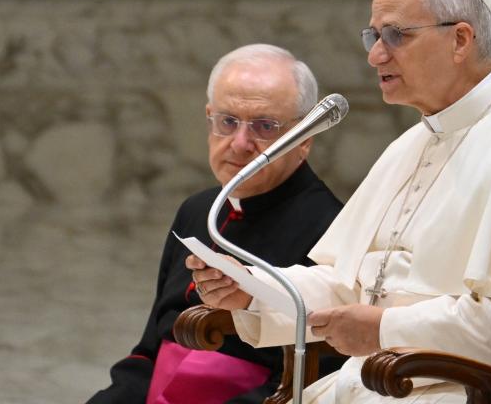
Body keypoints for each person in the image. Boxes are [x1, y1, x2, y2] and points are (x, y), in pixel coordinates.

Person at [188, 0, 491, 403]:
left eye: (396, 35)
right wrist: (253, 289)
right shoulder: (411, 145)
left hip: (474, 393)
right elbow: (346, 284)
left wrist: (384, 330)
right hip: (382, 386)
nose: (376, 54)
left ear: (460, 40)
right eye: (373, 36)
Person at [88, 44, 344, 404]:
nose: (240, 144)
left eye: (265, 126)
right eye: (227, 122)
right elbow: (150, 349)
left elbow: (317, 381)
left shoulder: (332, 227)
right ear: (209, 118)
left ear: (305, 138)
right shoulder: (197, 210)